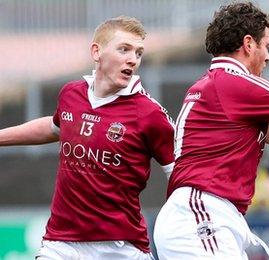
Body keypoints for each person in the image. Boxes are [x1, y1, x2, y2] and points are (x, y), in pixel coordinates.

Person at [152, 2, 269, 259]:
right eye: (267, 45)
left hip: (206, 213)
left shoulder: (215, 82)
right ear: (249, 43)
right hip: (203, 213)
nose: (268, 56)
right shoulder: (240, 83)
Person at [0, 16, 174, 259]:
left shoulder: (150, 114)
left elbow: (180, 172)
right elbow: (55, 127)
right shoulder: (72, 94)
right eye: (124, 49)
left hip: (120, 247)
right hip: (60, 243)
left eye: (138, 52)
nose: (133, 59)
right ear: (96, 51)